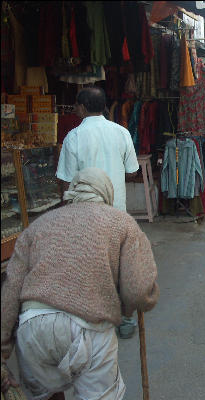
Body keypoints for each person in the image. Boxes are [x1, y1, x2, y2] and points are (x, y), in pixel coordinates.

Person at [1, 168, 159, 399]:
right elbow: (138, 292)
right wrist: (139, 302)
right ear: (107, 194)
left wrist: (2, 353)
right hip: (89, 327)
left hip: (33, 327)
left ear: (71, 193)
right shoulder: (121, 223)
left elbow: (11, 291)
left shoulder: (37, 226)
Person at [56, 86, 140, 339]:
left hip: (85, 214)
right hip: (117, 211)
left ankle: (95, 320)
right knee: (119, 265)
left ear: (81, 107)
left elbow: (65, 180)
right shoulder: (121, 132)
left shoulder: (74, 137)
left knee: (90, 265)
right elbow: (133, 171)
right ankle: (124, 320)